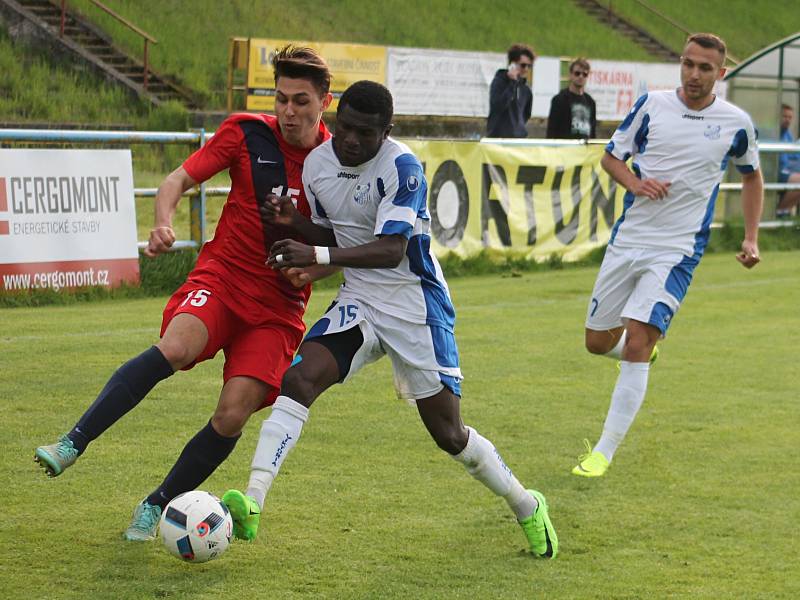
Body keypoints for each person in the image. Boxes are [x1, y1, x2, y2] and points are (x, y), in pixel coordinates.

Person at [221, 80, 558, 558]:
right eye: (344, 129)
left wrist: (313, 248)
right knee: (299, 379)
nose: (351, 141)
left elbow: (390, 249)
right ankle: (252, 501)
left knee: (449, 434)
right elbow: (337, 231)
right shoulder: (318, 165)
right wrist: (295, 222)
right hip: (360, 298)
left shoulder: (403, 168)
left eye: (365, 133)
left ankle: (526, 504)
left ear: (387, 131)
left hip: (414, 306)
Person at [34, 45, 338, 540]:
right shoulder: (245, 132)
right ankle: (73, 441)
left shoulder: (335, 163)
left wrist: (315, 272)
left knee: (233, 412)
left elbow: (344, 244)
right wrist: (162, 222)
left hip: (278, 308)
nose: (288, 111)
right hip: (222, 279)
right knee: (174, 347)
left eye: (301, 101)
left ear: (324, 101)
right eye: (281, 98)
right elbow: (177, 179)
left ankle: (157, 505)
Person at [572, 33, 763, 477]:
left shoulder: (736, 123)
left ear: (722, 73)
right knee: (597, 342)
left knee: (639, 338)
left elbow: (752, 177)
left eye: (705, 68)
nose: (695, 74)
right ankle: (642, 350)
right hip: (629, 241)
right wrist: (635, 184)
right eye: (688, 64)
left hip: (677, 250)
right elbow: (611, 158)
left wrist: (751, 237)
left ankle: (602, 452)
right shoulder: (651, 106)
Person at [486, 43, 535, 138]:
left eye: (530, 66)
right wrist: (512, 83)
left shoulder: (526, 90)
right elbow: (497, 106)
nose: (526, 69)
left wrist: (518, 127)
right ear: (512, 64)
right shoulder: (499, 82)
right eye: (523, 65)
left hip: (518, 139)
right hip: (498, 138)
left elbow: (526, 114)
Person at [546, 57, 597, 140]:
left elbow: (593, 132)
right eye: (577, 73)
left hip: (585, 150)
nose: (581, 76)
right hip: (565, 149)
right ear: (570, 75)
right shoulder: (559, 99)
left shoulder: (590, 102)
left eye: (585, 74)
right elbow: (551, 130)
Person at [776, 103, 800, 219]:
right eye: (785, 116)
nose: (788, 120)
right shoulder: (774, 132)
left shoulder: (788, 134)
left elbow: (795, 156)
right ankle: (780, 212)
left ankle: (784, 211)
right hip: (776, 171)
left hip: (787, 170)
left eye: (790, 117)